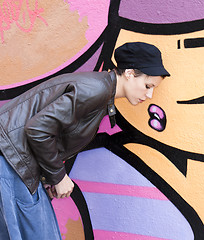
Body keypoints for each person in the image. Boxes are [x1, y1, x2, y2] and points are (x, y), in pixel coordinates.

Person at [0, 42, 170, 239]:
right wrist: (59, 177)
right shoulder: (95, 90)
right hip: (10, 162)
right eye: (148, 86)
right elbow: (37, 130)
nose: (149, 95)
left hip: (16, 162)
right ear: (130, 73)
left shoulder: (101, 89)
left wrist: (50, 177)